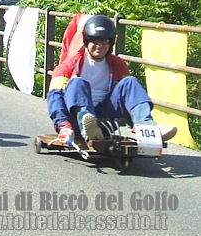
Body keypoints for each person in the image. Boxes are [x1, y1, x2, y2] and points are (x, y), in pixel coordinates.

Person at [47, 15, 177, 144]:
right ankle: (88, 127)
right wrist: (63, 125)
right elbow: (54, 98)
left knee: (130, 82)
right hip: (75, 120)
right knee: (77, 82)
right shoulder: (68, 66)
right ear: (86, 41)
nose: (99, 46)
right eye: (95, 41)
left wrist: (133, 122)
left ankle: (146, 127)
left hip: (105, 120)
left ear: (111, 44)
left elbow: (129, 96)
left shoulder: (117, 65)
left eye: (105, 42)